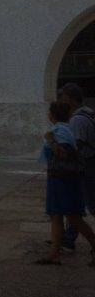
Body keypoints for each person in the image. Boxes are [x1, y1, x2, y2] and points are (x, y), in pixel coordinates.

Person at [36, 101, 95, 265]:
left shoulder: (60, 131)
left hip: (64, 179)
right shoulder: (65, 129)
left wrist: (51, 140)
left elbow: (65, 154)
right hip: (58, 178)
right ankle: (54, 253)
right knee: (56, 215)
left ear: (51, 115)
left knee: (72, 216)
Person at [60, 83, 95, 250]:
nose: (61, 101)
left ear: (71, 99)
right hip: (88, 164)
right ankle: (69, 237)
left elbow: (76, 146)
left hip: (87, 166)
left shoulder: (77, 119)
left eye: (63, 98)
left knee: (89, 204)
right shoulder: (87, 113)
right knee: (76, 204)